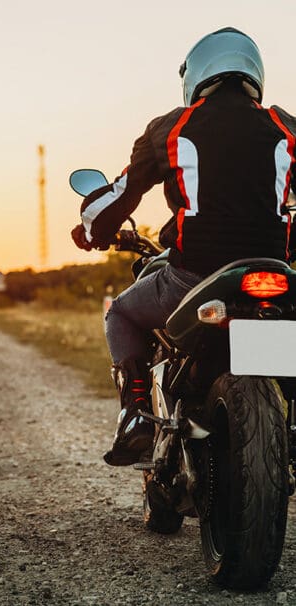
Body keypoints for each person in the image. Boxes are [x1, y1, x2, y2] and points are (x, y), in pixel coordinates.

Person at [71, 27, 296, 466]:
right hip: (276, 273)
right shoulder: (285, 126)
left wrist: (91, 231)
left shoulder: (171, 127)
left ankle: (135, 415)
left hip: (193, 277)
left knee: (120, 312)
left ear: (197, 76)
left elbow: (120, 195)